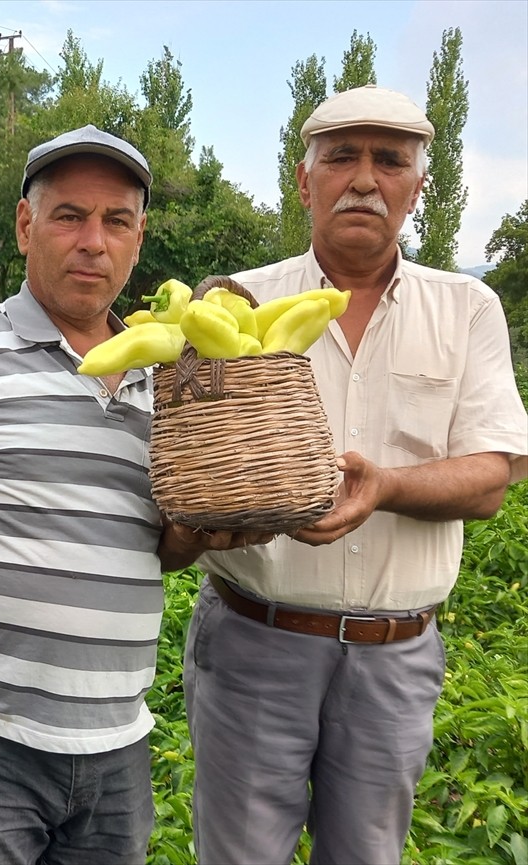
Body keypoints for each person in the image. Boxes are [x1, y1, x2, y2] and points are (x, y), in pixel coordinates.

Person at [0, 125, 270, 864]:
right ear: (24, 226)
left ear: (140, 239)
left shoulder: (176, 381)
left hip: (119, 747)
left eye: (116, 221)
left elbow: (155, 547)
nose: (93, 241)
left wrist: (198, 532)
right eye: (69, 215)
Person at [184, 84, 528, 864]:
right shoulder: (235, 303)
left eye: (389, 161)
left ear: (418, 186)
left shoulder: (467, 309)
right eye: (341, 158)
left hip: (393, 655)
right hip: (252, 638)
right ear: (304, 182)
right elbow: (192, 456)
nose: (365, 179)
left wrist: (387, 488)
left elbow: (490, 480)